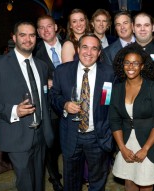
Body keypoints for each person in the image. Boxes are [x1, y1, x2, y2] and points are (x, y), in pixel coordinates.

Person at [0, 21, 54, 191]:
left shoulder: (42, 66)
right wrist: (14, 110)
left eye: (32, 35)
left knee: (38, 182)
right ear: (14, 38)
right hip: (17, 136)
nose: (28, 39)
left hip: (41, 134)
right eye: (23, 35)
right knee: (26, 184)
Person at [49, 33, 115, 191]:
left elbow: (110, 104)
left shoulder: (109, 73)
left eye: (94, 49)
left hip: (97, 136)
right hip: (71, 135)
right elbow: (53, 95)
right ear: (78, 49)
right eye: (85, 47)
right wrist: (64, 105)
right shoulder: (62, 71)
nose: (89, 52)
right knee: (71, 183)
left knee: (98, 182)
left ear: (99, 53)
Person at [110, 43, 154, 190]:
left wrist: (145, 148)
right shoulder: (117, 88)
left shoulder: (153, 87)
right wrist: (122, 148)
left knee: (145, 183)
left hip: (149, 142)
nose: (131, 67)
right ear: (122, 65)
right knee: (129, 181)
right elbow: (114, 120)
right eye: (127, 62)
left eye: (136, 63)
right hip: (126, 142)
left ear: (142, 66)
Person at [35, 15, 63, 191]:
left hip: (72, 104)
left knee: (68, 145)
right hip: (49, 107)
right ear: (38, 32)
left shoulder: (72, 45)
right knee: (51, 146)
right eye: (42, 28)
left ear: (56, 27)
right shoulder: (34, 52)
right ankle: (54, 178)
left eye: (49, 26)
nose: (46, 30)